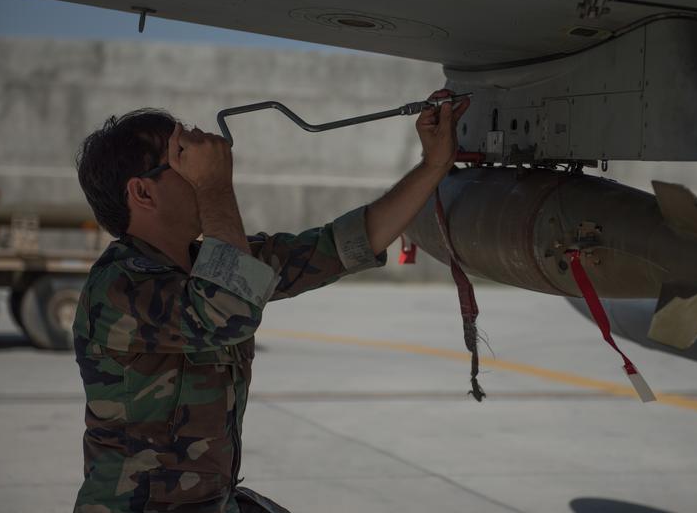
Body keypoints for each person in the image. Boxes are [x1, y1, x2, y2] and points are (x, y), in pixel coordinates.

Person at [71, 90, 470, 513]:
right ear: (144, 193)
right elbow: (229, 310)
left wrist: (435, 164)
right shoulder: (119, 287)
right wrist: (214, 186)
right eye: (182, 160)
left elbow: (341, 246)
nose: (204, 165)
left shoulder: (207, 264)